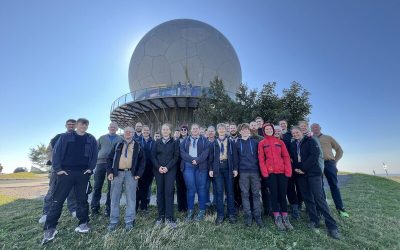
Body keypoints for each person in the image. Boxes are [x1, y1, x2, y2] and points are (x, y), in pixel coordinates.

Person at [42, 118, 98, 244]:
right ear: (76, 125)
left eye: (85, 125)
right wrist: (58, 169)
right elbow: (56, 153)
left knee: (82, 200)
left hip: (83, 174)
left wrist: (90, 169)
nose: (83, 127)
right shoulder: (65, 137)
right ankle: (50, 228)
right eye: (81, 124)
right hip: (66, 173)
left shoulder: (91, 138)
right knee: (57, 200)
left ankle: (83, 223)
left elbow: (95, 154)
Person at [289, 126, 340, 239]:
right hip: (300, 175)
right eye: (293, 133)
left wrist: (303, 168)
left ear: (301, 132)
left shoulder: (311, 140)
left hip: (313, 173)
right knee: (307, 198)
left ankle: (332, 226)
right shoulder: (293, 145)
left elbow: (314, 156)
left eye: (297, 132)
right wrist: (296, 169)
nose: (295, 134)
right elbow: (292, 159)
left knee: (319, 198)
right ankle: (314, 219)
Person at [106, 127, 146, 231]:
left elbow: (142, 161)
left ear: (133, 134)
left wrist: (138, 174)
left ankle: (129, 221)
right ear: (123, 133)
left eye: (130, 132)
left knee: (131, 198)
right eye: (126, 131)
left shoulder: (138, 146)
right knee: (114, 198)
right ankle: (113, 221)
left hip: (131, 174)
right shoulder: (118, 145)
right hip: (117, 173)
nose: (128, 133)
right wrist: (110, 172)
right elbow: (109, 159)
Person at [39, 119, 77, 224]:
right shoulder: (57, 137)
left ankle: (73, 209)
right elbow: (49, 150)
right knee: (52, 191)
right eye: (69, 124)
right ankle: (46, 213)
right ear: (66, 125)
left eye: (73, 125)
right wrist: (55, 162)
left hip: (72, 169)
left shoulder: (79, 137)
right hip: (57, 169)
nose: (71, 126)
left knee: (72, 191)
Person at [258, 123, 293, 231]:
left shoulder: (280, 142)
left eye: (270, 129)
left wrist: (288, 171)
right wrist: (265, 173)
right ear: (264, 131)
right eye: (266, 129)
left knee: (282, 195)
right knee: (274, 195)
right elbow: (261, 159)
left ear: (273, 130)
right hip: (270, 173)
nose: (268, 130)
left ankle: (285, 217)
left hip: (282, 172)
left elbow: (286, 157)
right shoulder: (262, 143)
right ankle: (277, 217)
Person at [311, 123, 348, 217]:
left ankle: (340, 208)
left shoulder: (328, 138)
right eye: (312, 127)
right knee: (320, 187)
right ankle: (323, 208)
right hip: (317, 165)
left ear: (320, 128)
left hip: (329, 163)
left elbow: (339, 150)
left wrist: (335, 161)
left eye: (316, 127)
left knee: (334, 185)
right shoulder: (310, 139)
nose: (314, 129)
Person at [233, 123, 264, 228]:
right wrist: (236, 169)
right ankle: (248, 215)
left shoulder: (255, 143)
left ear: (249, 131)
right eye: (243, 129)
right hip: (243, 172)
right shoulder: (237, 144)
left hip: (255, 171)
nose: (245, 131)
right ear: (240, 131)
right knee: (245, 194)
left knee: (256, 194)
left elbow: (260, 158)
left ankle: (257, 215)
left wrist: (260, 171)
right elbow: (235, 159)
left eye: (247, 129)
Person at [151, 123, 180, 228]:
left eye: (167, 129)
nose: (165, 130)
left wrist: (167, 167)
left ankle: (169, 217)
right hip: (158, 170)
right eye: (164, 129)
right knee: (160, 192)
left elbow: (176, 157)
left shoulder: (175, 142)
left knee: (169, 192)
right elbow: (153, 156)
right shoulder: (157, 142)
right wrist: (159, 167)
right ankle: (160, 216)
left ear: (170, 131)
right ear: (161, 131)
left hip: (170, 170)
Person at [91, 122, 123, 217]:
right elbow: (95, 150)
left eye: (114, 127)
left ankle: (108, 208)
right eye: (111, 127)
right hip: (100, 163)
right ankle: (94, 208)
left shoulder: (120, 139)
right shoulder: (101, 138)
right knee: (97, 186)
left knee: (111, 188)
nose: (112, 128)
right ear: (108, 128)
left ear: (117, 129)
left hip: (113, 165)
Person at [180, 123, 210, 221]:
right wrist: (191, 159)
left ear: (199, 129)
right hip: (188, 166)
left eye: (197, 128)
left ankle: (201, 211)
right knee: (190, 189)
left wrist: (197, 160)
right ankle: (190, 211)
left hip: (201, 166)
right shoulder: (185, 140)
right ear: (191, 130)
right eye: (193, 129)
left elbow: (206, 152)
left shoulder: (204, 140)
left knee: (201, 188)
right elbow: (182, 152)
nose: (195, 130)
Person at [209, 123, 237, 224]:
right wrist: (210, 169)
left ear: (226, 130)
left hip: (228, 168)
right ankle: (220, 214)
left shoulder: (230, 141)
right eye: (220, 129)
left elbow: (234, 157)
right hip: (217, 169)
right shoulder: (213, 143)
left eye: (223, 129)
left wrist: (235, 168)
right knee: (219, 192)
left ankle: (231, 214)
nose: (221, 130)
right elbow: (210, 158)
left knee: (230, 192)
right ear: (217, 130)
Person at [279, 120, 301, 219]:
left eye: (284, 124)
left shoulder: (290, 137)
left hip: (288, 166)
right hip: (277, 168)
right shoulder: (272, 140)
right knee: (280, 189)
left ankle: (295, 209)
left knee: (291, 188)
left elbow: (293, 151)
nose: (278, 132)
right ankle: (281, 208)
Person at [136, 125, 155, 213]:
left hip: (149, 168)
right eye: (144, 130)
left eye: (147, 130)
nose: (146, 132)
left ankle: (144, 206)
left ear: (149, 131)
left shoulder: (153, 142)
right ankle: (136, 206)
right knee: (138, 187)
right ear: (142, 131)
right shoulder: (137, 141)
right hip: (139, 168)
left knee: (146, 187)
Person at [176, 125, 189, 212]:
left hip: (188, 165)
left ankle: (187, 205)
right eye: (182, 130)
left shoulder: (190, 140)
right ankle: (180, 206)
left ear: (187, 131)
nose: (183, 131)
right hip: (178, 167)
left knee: (187, 187)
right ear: (180, 131)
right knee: (179, 187)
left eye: (185, 129)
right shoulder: (176, 141)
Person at [205, 125, 217, 207]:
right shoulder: (204, 142)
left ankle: (216, 203)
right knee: (206, 187)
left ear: (215, 132)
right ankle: (207, 204)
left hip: (216, 168)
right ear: (207, 132)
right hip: (205, 168)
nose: (210, 132)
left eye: (212, 131)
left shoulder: (218, 142)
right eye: (209, 131)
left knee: (216, 187)